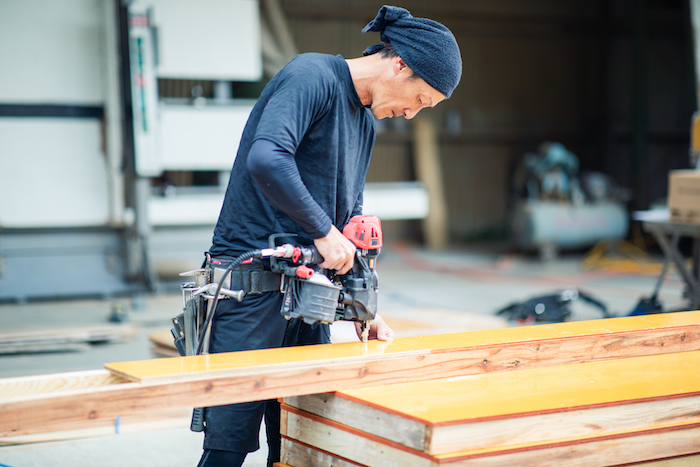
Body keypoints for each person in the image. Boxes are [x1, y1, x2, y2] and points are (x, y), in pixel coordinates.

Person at [197, 5, 462, 467]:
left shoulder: (364, 121)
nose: (412, 113)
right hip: (250, 289)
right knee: (228, 447)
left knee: (299, 439)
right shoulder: (312, 75)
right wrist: (323, 232)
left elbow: (348, 223)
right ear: (400, 64)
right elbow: (267, 159)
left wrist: (361, 307)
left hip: (307, 294)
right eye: (420, 99)